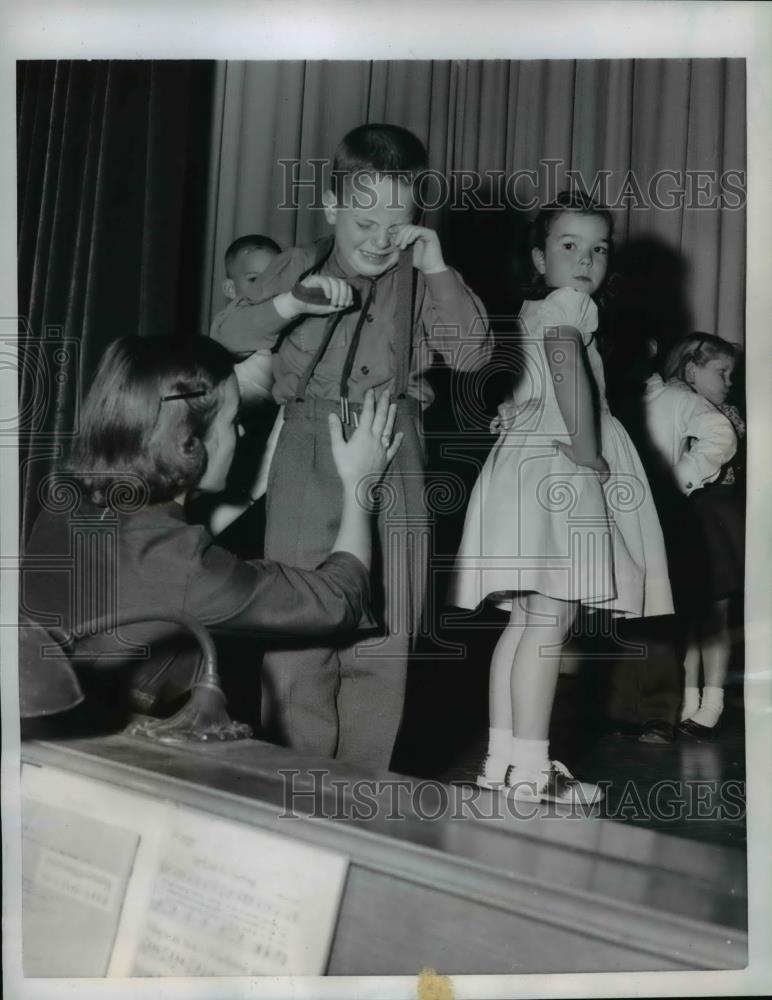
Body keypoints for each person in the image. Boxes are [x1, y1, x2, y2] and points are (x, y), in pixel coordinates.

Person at [212, 123, 492, 770]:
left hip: (397, 445)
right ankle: (297, 785)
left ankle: (362, 794)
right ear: (332, 207)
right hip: (307, 449)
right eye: (363, 222)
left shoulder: (425, 276)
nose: (377, 241)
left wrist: (438, 267)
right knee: (298, 621)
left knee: (387, 629)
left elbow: (474, 351)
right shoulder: (295, 265)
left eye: (395, 226)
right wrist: (289, 304)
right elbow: (227, 336)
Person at [21, 336, 402, 718]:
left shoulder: (65, 500)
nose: (239, 434)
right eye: (233, 421)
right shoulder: (183, 567)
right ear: (190, 443)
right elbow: (339, 600)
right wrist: (359, 484)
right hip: (115, 749)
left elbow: (152, 552)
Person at [449, 191, 673, 805]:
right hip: (562, 463)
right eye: (568, 246)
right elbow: (567, 364)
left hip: (524, 463)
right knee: (549, 625)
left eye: (598, 249)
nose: (585, 260)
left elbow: (530, 381)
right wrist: (587, 447)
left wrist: (516, 409)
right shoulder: (571, 306)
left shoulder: (533, 309)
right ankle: (533, 770)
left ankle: (501, 763)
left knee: (525, 625)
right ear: (538, 255)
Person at [647, 334, 743, 737]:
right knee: (685, 610)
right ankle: (686, 698)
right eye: (721, 372)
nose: (729, 381)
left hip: (716, 513)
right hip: (687, 513)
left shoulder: (728, 414)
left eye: (731, 374)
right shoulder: (673, 400)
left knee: (715, 610)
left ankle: (713, 700)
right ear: (690, 369)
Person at [211, 234, 283, 406]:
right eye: (254, 279)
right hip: (239, 407)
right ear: (230, 288)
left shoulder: (281, 315)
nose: (266, 286)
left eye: (276, 277)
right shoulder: (227, 320)